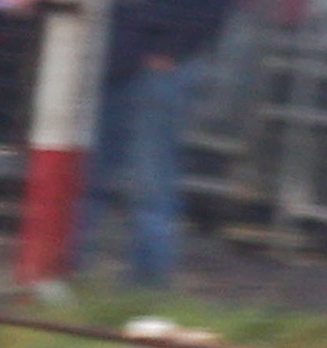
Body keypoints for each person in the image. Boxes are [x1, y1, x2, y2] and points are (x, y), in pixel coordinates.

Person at [84, 0, 236, 290]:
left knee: (139, 180)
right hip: (128, 60)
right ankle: (142, 282)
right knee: (118, 178)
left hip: (143, 62)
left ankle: (142, 279)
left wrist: (172, 49)